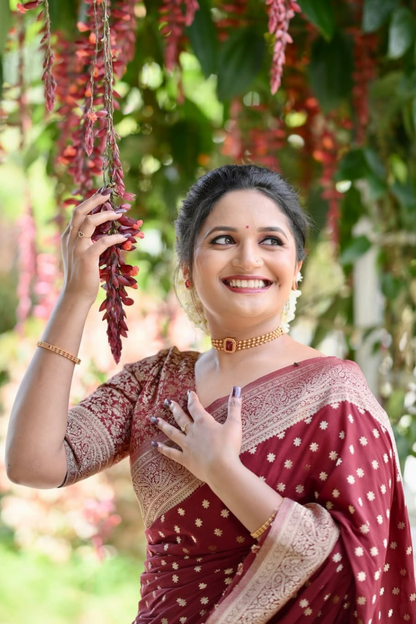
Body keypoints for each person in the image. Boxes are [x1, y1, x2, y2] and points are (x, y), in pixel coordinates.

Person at [5, 164, 416, 623]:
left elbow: (363, 569)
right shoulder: (154, 382)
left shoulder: (335, 394)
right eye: (223, 239)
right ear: (187, 267)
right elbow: (33, 463)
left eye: (271, 241)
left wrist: (224, 471)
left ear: (296, 268)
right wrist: (77, 295)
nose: (248, 259)